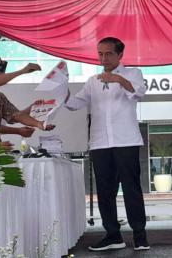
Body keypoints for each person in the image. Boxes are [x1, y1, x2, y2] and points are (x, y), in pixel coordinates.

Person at [65, 37, 149, 252]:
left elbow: (139, 92)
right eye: (100, 54)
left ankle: (140, 236)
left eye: (109, 53)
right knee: (105, 191)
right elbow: (75, 104)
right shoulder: (93, 81)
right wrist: (61, 94)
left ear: (120, 55)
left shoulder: (133, 74)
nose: (104, 58)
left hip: (126, 140)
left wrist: (118, 79)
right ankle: (113, 235)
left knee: (131, 189)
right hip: (100, 143)